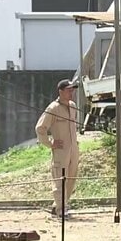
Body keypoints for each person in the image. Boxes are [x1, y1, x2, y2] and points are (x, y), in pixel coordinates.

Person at [35, 79, 80, 219]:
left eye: (72, 89)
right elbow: (40, 128)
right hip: (60, 150)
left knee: (71, 178)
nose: (71, 92)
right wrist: (50, 143)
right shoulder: (53, 108)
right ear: (61, 91)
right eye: (68, 90)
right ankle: (61, 210)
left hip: (73, 149)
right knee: (60, 179)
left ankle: (59, 205)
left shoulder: (73, 106)